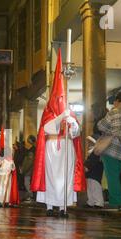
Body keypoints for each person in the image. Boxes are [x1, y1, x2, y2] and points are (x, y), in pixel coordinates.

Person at [31, 50, 86, 217]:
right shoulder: (48, 112)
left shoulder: (70, 112)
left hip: (67, 146)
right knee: (51, 176)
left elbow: (76, 133)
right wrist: (60, 118)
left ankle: (63, 206)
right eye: (57, 97)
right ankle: (49, 205)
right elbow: (46, 129)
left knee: (65, 176)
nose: (59, 100)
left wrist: (71, 122)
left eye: (62, 98)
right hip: (52, 148)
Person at [97, 92, 121, 211]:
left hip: (112, 149)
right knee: (118, 177)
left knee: (112, 177)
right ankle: (120, 200)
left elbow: (100, 126)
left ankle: (116, 202)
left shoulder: (114, 112)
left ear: (117, 101)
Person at [84, 133, 105, 209]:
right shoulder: (91, 151)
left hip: (95, 173)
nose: (89, 143)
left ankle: (99, 202)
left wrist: (87, 166)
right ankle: (91, 201)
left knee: (96, 187)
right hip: (90, 173)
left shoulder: (96, 151)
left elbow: (92, 161)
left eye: (91, 141)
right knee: (90, 187)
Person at [20, 135, 36, 201]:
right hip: (30, 170)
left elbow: (29, 163)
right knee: (28, 183)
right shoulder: (31, 150)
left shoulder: (31, 151)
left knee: (27, 183)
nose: (26, 142)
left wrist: (23, 170)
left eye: (27, 141)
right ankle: (30, 195)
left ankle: (31, 196)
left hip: (29, 171)